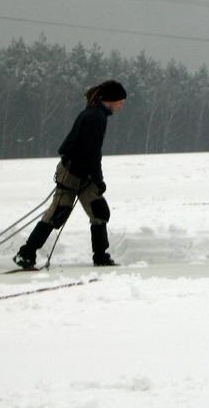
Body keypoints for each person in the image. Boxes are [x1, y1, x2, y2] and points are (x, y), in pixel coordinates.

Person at [13, 80, 127, 268]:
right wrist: (98, 180)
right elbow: (92, 152)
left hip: (85, 173)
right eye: (121, 101)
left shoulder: (98, 115)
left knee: (99, 211)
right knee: (58, 213)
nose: (122, 105)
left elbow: (91, 153)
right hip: (71, 172)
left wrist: (94, 179)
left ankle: (101, 256)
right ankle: (26, 253)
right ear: (111, 100)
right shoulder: (95, 117)